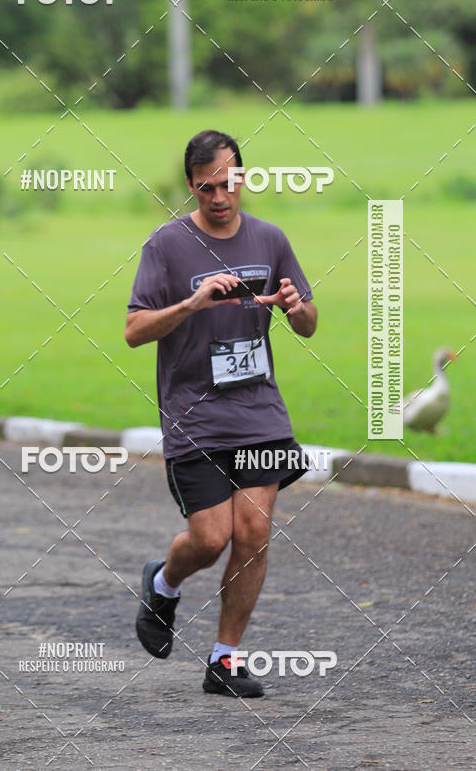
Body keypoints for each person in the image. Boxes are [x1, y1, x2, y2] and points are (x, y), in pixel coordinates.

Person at [125, 130, 317, 697]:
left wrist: (293, 306)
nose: (219, 196)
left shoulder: (270, 238)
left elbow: (308, 322)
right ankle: (163, 583)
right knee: (210, 540)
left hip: (259, 413)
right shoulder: (166, 245)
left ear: (244, 180)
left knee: (253, 530)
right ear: (191, 186)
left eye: (230, 183)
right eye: (207, 186)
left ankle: (224, 659)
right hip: (195, 417)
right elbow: (134, 331)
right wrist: (190, 303)